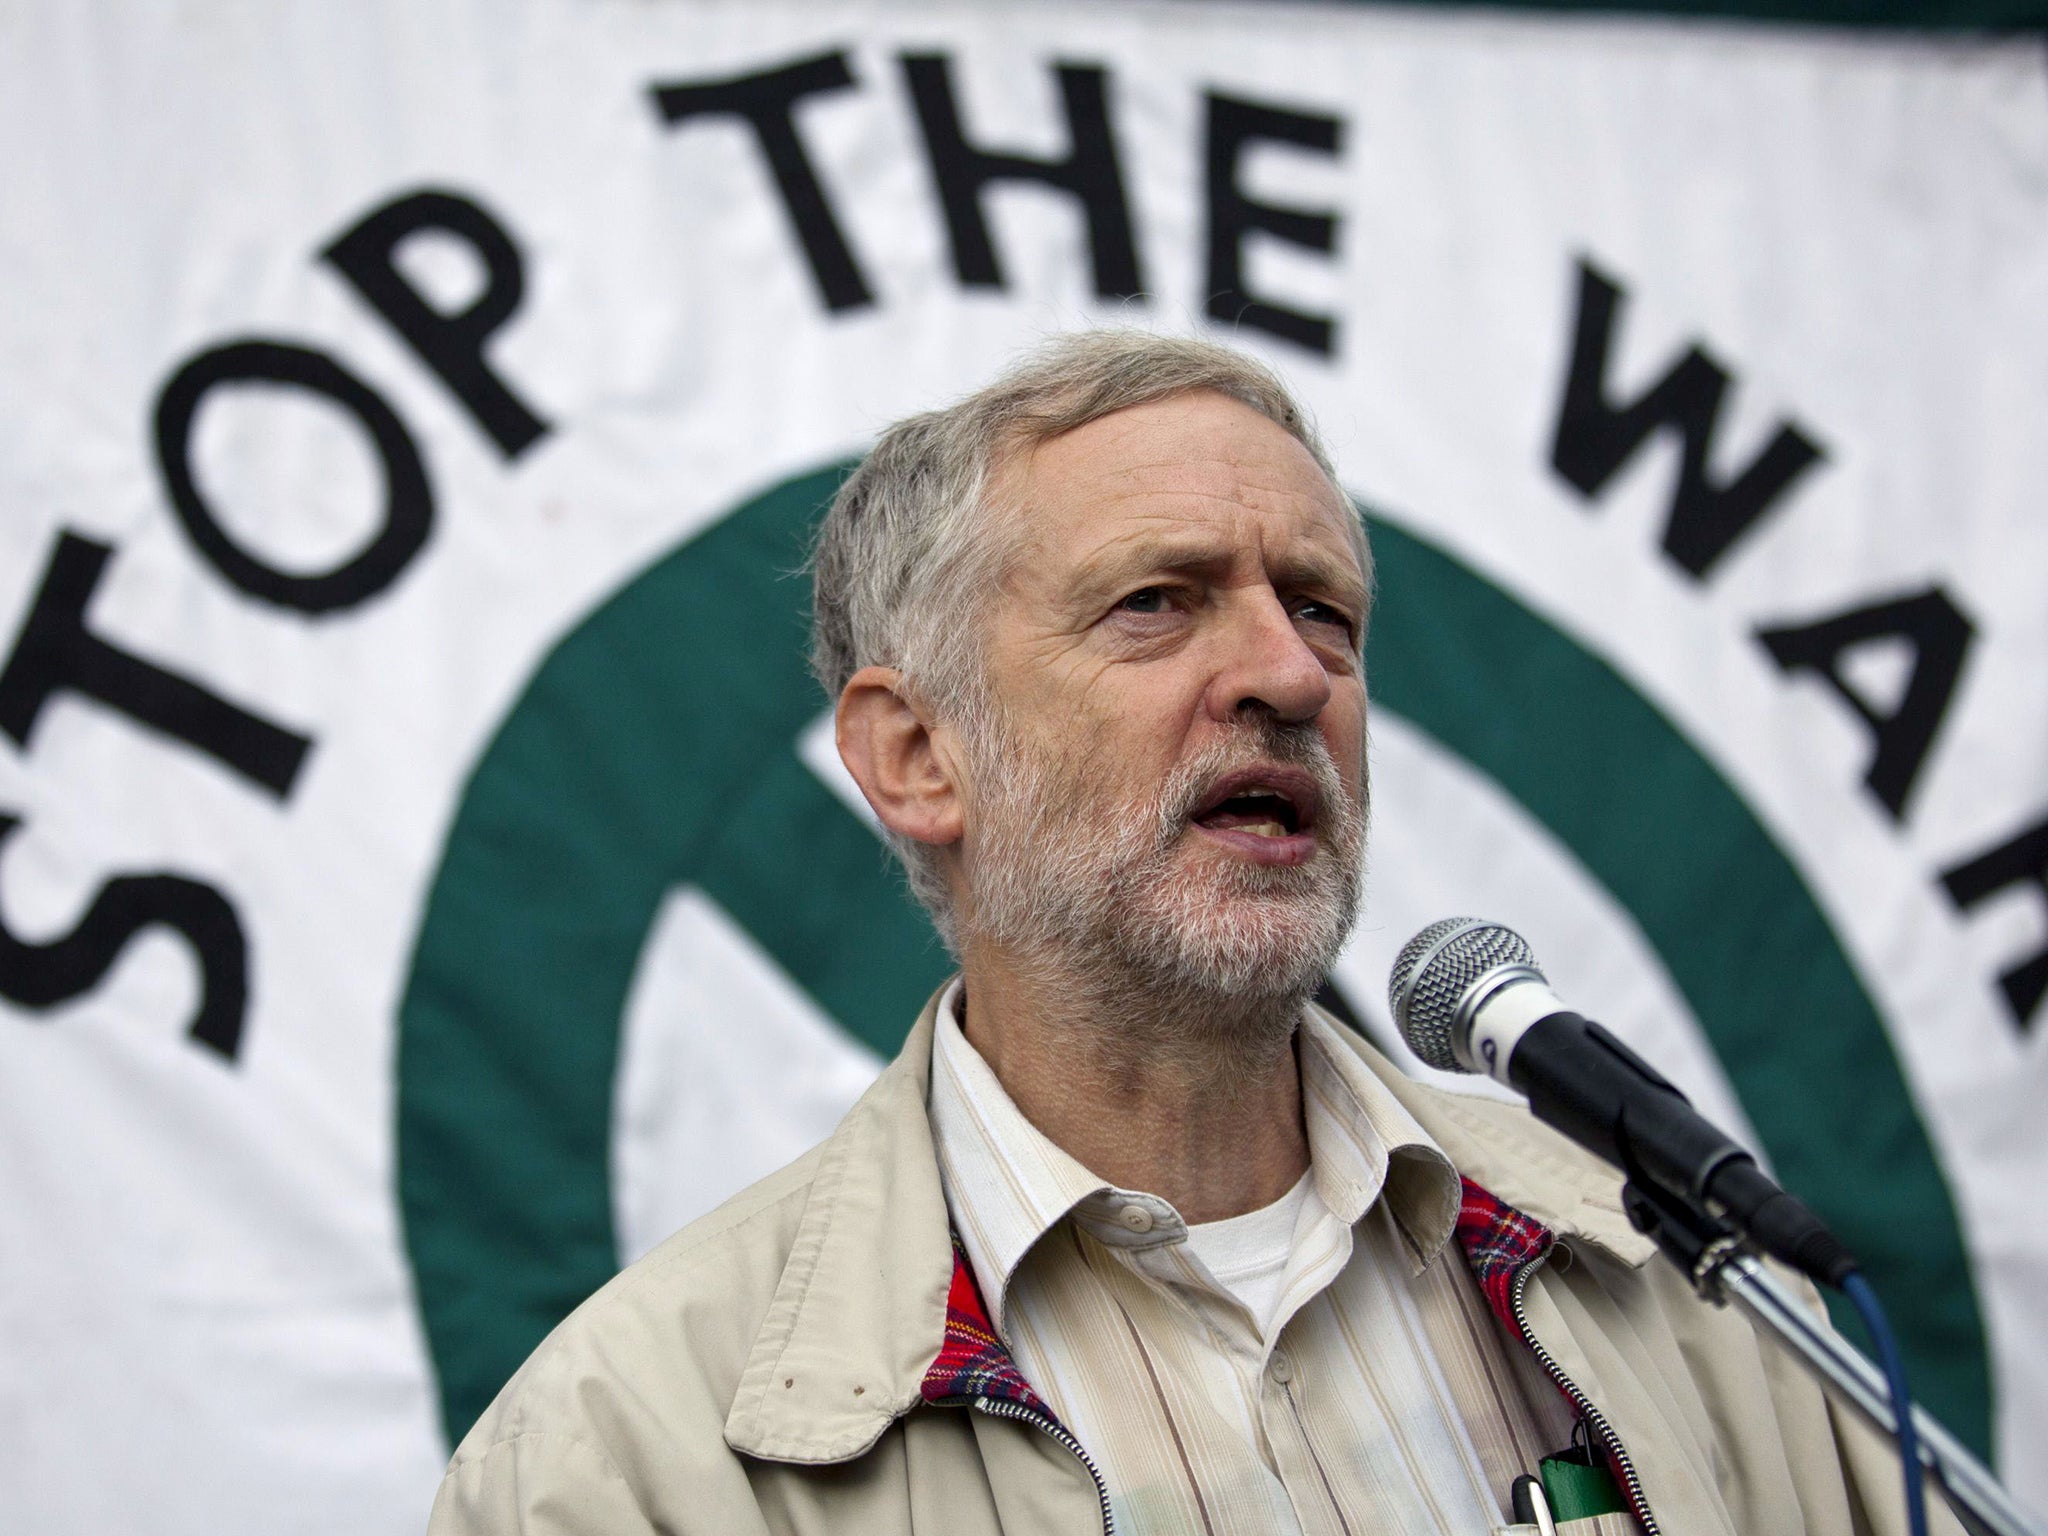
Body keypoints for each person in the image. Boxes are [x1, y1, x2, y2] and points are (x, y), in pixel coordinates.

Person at [429, 332, 1951, 1535]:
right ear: (914, 758)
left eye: (1325, 614)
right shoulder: (630, 1456)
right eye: (1158, 604)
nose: (1286, 676)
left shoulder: (1693, 1291)